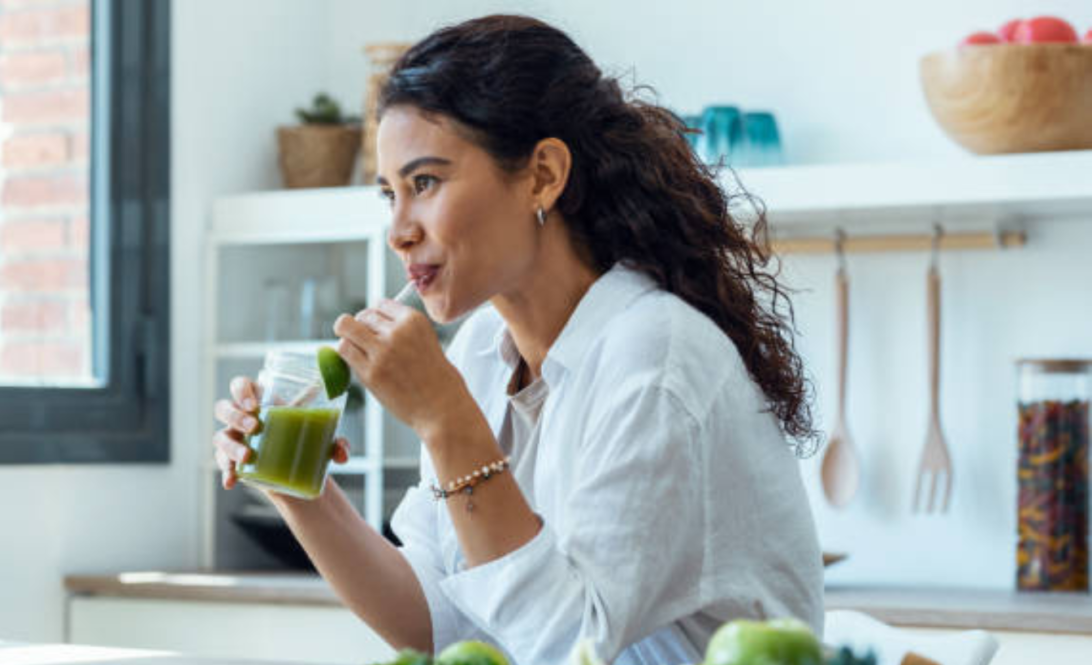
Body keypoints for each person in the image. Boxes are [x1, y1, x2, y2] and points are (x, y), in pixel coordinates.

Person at [212, 14, 823, 665]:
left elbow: (570, 648)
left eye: (425, 183)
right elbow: (440, 623)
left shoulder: (656, 358)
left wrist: (446, 422)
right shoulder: (480, 348)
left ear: (542, 175)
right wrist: (296, 485)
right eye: (389, 193)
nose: (399, 229)